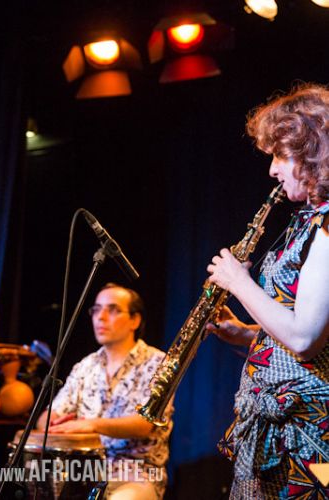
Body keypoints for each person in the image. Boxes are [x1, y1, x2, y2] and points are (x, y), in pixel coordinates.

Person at [206, 83, 329, 498]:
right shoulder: (309, 220)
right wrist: (246, 333)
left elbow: (305, 339)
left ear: (312, 151)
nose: (273, 170)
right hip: (281, 428)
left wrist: (239, 283)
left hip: (307, 435)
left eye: (280, 155)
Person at [37, 283, 173, 499]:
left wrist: (91, 424)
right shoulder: (85, 366)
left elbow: (144, 424)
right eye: (96, 309)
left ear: (135, 320)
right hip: (83, 472)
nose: (100, 317)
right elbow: (46, 418)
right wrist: (55, 424)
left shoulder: (159, 363)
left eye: (113, 310)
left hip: (137, 472)